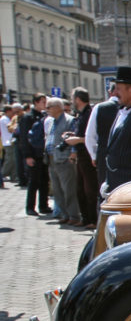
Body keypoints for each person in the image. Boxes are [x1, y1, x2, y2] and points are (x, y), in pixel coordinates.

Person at [63, 87, 99, 228]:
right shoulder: (81, 115)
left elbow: (91, 138)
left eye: (73, 98)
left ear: (78, 99)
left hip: (88, 155)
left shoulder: (89, 114)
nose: (72, 101)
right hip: (81, 155)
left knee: (90, 189)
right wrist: (72, 135)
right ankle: (86, 218)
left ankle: (93, 219)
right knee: (80, 189)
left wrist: (76, 140)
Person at [44, 96, 79, 225]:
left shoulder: (69, 120)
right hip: (52, 159)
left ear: (58, 107)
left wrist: (73, 154)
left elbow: (74, 138)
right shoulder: (51, 121)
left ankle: (74, 215)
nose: (46, 109)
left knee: (68, 189)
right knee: (57, 189)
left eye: (49, 107)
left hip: (64, 159)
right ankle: (64, 214)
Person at [85, 84, 119, 197]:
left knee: (105, 191)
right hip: (125, 157)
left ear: (111, 92)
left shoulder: (100, 108)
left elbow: (90, 136)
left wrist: (94, 156)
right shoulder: (130, 108)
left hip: (104, 154)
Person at [20, 93, 51, 216]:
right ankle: (30, 207)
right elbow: (24, 138)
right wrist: (27, 156)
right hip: (33, 154)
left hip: (43, 154)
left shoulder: (45, 116)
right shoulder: (28, 117)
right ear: (36, 102)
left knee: (44, 180)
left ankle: (43, 205)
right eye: (43, 102)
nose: (45, 104)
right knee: (33, 182)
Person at [0, 104, 12, 188]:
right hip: (6, 141)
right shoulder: (5, 119)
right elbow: (10, 128)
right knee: (9, 159)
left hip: (5, 142)